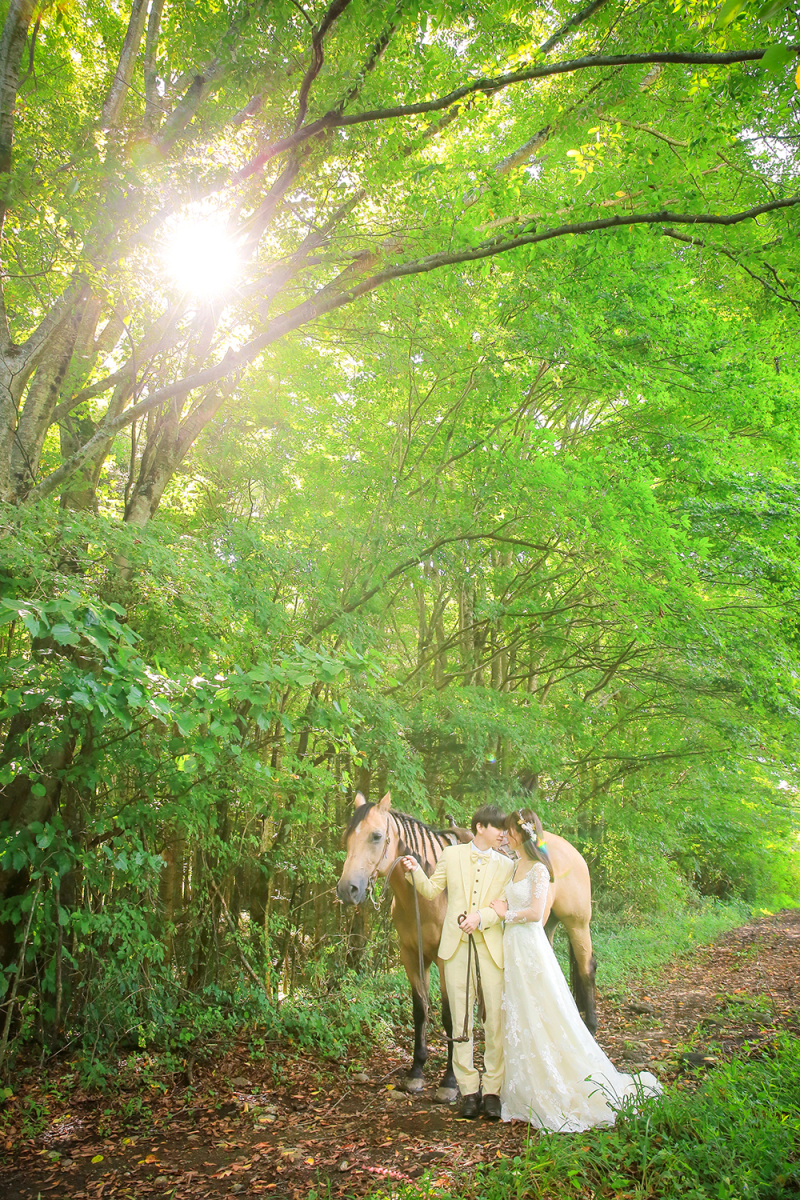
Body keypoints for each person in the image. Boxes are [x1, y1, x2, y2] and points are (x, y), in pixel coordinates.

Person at [491, 809, 662, 1130]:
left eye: (510, 831)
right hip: (513, 947)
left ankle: (560, 1073)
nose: (506, 835)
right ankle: (524, 1080)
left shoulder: (541, 870)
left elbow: (534, 912)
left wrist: (505, 915)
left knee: (544, 1005)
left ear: (524, 834)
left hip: (527, 943)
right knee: (517, 1010)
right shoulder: (514, 866)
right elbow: (503, 896)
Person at [401, 805, 514, 1119]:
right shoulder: (451, 856)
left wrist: (482, 917)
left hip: (490, 948)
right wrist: (414, 871)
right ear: (480, 827)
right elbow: (430, 889)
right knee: (461, 1022)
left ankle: (492, 1090)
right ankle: (468, 1090)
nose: (503, 834)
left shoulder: (506, 865)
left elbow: (503, 907)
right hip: (454, 948)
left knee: (493, 1022)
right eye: (498, 828)